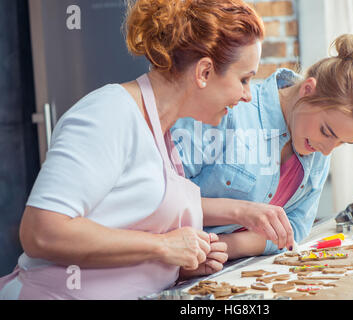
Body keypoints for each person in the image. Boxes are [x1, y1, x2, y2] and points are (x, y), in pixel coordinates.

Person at [0, 0, 264, 300]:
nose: (248, 96)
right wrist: (165, 247)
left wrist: (172, 265)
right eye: (245, 79)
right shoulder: (110, 112)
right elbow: (41, 232)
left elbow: (116, 232)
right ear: (204, 72)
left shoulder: (162, 129)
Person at [172, 34, 353, 260]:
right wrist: (240, 212)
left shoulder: (318, 145)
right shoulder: (229, 108)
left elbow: (295, 228)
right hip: (170, 267)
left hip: (225, 268)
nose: (328, 150)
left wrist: (228, 246)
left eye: (342, 143)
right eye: (327, 132)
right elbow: (159, 199)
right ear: (308, 90)